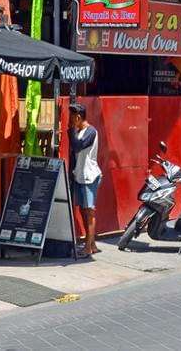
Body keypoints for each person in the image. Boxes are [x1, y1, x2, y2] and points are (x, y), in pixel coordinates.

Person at [69, 104, 102, 258]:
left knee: (89, 211)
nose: (70, 121)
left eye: (72, 118)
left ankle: (88, 247)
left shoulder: (90, 131)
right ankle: (92, 243)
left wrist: (70, 131)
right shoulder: (79, 132)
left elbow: (78, 146)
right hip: (80, 175)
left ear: (78, 117)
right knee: (83, 210)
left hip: (90, 176)